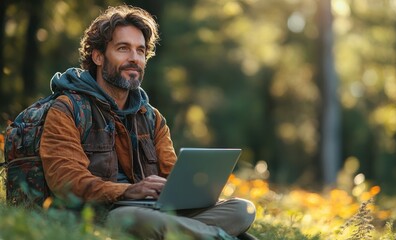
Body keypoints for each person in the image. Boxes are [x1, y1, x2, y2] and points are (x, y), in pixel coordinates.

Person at [39, 5, 256, 240]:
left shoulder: (152, 118)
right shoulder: (67, 108)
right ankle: (219, 236)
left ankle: (192, 233)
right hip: (102, 214)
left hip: (156, 210)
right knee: (134, 219)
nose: (134, 58)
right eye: (123, 48)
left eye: (140, 51)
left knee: (242, 210)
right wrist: (128, 191)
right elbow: (66, 181)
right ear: (98, 56)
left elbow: (173, 177)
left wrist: (190, 190)